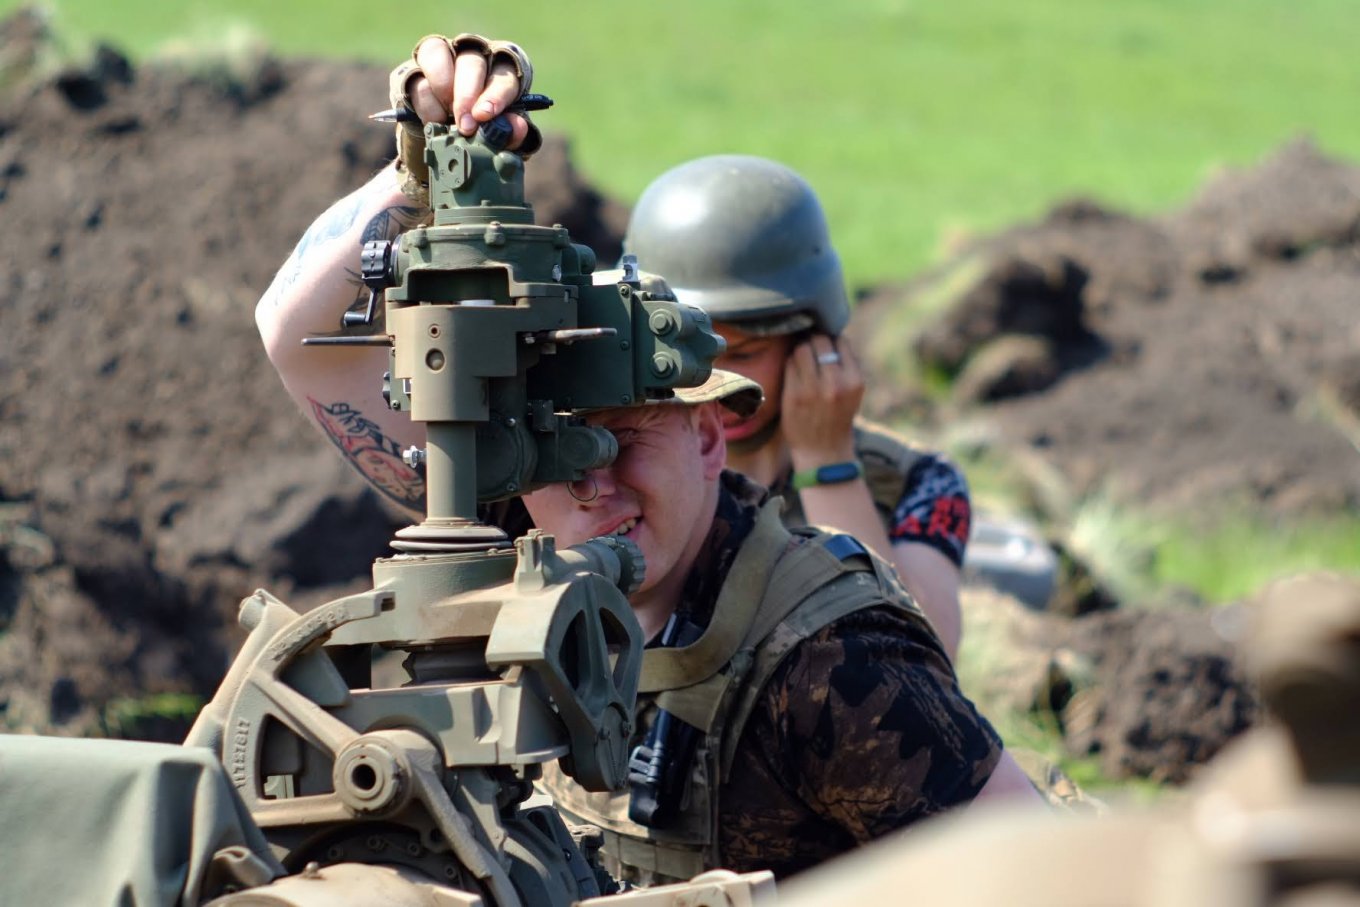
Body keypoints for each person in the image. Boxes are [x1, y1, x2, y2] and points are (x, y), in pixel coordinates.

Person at [255, 33, 1041, 885]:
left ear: (710, 436)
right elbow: (295, 336)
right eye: (557, 445)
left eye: (626, 438)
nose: (593, 485)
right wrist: (419, 171)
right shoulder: (502, 524)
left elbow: (1043, 877)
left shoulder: (830, 662)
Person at [624, 156, 969, 658]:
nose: (716, 386)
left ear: (812, 343)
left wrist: (827, 464)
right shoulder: (609, 469)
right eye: (685, 358)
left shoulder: (917, 483)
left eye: (744, 354)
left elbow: (924, 658)